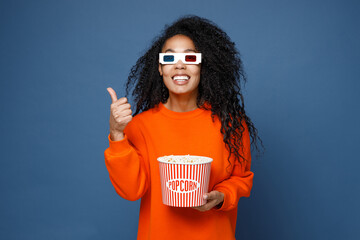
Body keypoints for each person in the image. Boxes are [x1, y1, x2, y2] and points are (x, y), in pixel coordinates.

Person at [104, 15, 262, 240]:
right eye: (169, 58)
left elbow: (242, 179)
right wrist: (117, 133)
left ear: (201, 65)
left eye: (189, 56)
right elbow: (131, 191)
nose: (179, 64)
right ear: (160, 68)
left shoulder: (230, 124)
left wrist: (222, 196)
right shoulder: (140, 126)